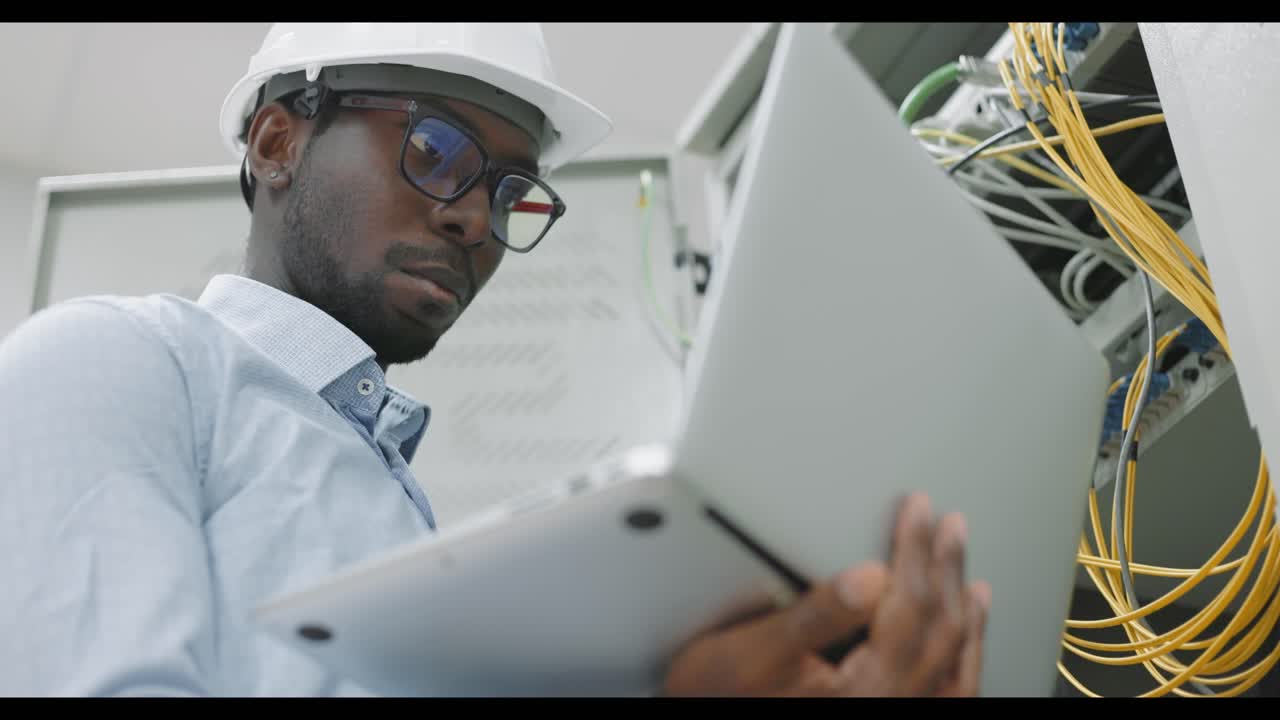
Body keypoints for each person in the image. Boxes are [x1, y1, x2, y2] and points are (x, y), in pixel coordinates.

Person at [0, 23, 990, 697]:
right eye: (434, 149)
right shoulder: (116, 360)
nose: (475, 216)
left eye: (512, 191)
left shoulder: (409, 523)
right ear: (273, 143)